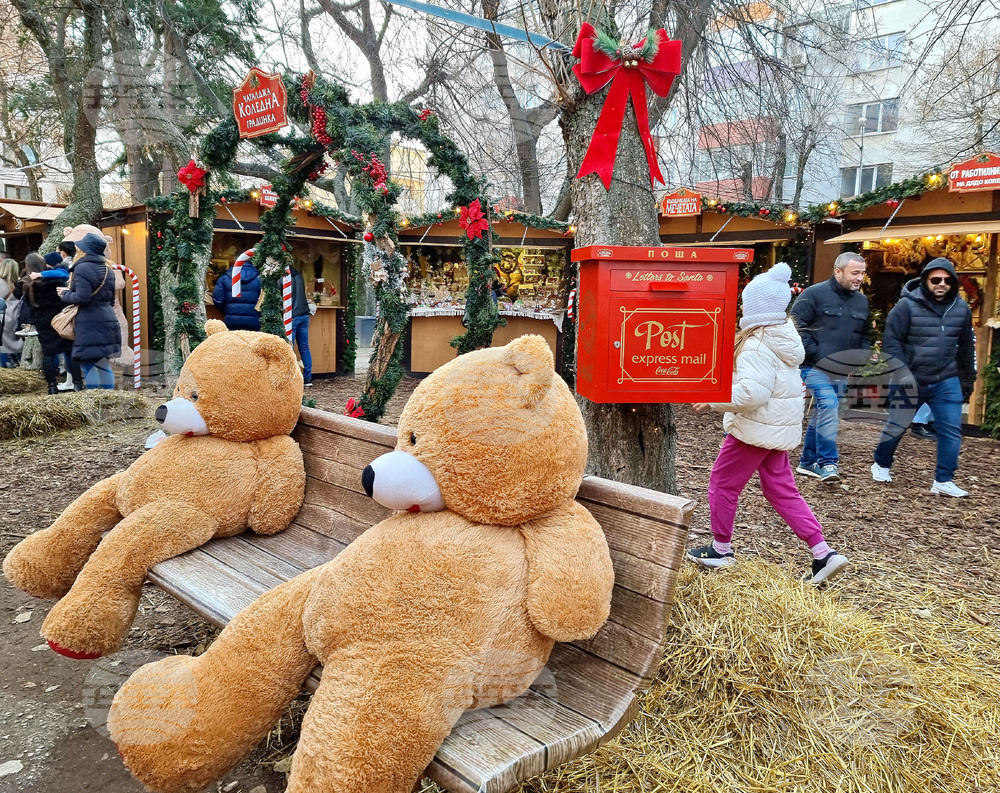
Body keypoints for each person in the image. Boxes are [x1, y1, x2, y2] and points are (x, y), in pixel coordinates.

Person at [687, 262, 849, 586]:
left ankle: (721, 550)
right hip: (776, 429)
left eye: (746, 303)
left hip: (754, 429)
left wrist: (712, 399)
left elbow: (752, 393)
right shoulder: (784, 338)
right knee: (781, 490)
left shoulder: (756, 344)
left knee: (722, 483)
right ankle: (823, 553)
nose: (743, 308)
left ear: (755, 308)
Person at [871, 257, 976, 497]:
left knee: (950, 430)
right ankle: (881, 463)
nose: (941, 284)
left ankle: (943, 479)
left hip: (946, 379)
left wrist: (967, 379)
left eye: (947, 280)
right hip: (911, 377)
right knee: (897, 425)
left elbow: (966, 346)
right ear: (925, 280)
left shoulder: (961, 309)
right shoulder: (905, 307)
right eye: (936, 279)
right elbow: (892, 343)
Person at [789, 252, 870, 483]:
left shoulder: (862, 301)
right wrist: (817, 353)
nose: (860, 278)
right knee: (829, 405)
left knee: (823, 411)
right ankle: (828, 463)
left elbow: (865, 335)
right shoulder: (813, 294)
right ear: (838, 271)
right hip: (813, 366)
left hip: (842, 370)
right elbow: (796, 326)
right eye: (855, 273)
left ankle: (807, 462)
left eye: (862, 273)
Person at [57, 232, 121, 389]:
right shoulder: (108, 269)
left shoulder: (82, 268)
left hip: (88, 321)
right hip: (107, 318)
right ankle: (109, 401)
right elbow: (111, 300)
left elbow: (82, 298)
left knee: (88, 364)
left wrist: (64, 293)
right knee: (103, 363)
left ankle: (93, 402)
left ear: (85, 250)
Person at [24, 252, 83, 393]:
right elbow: (64, 274)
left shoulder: (27, 284)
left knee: (48, 354)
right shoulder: (54, 279)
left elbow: (29, 305)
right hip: (60, 319)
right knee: (69, 351)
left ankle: (51, 387)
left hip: (43, 321)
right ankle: (77, 384)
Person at [212, 255, 262, 331]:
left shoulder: (225, 277)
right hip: (256, 321)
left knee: (233, 342)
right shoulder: (260, 278)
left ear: (234, 260)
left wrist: (228, 310)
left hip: (232, 321)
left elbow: (218, 300)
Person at [288, 265, 313, 386]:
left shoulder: (283, 277)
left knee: (289, 347)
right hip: (304, 314)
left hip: (291, 316)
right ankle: (307, 377)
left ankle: (291, 377)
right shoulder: (298, 275)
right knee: (304, 347)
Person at [0, 257, 23, 367]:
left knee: (2, 346)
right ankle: (21, 367)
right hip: (16, 318)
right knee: (18, 345)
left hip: (2, 318)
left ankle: (3, 368)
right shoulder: (20, 284)